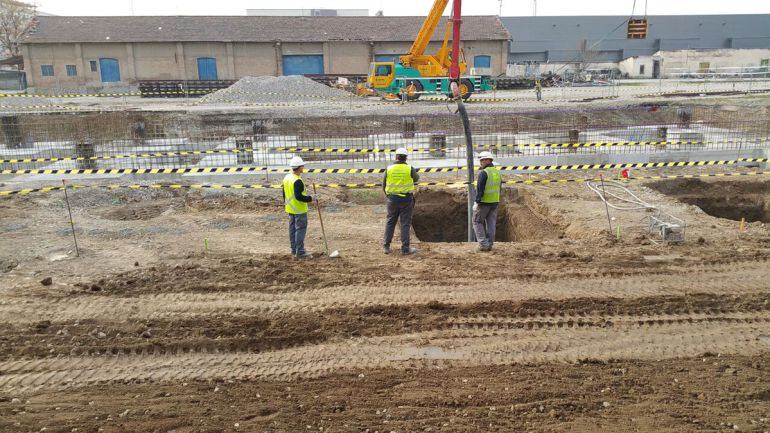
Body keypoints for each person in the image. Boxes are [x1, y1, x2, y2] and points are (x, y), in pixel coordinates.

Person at [383, 147, 419, 255]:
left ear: (396, 157)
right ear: (406, 158)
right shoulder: (409, 168)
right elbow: (416, 178)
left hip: (392, 199)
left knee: (390, 222)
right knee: (405, 224)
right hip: (406, 200)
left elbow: (383, 185)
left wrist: (389, 196)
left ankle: (386, 246)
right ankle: (405, 249)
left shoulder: (389, 168)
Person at [282, 156, 315, 259]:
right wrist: (311, 198)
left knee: (292, 230)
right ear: (300, 167)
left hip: (290, 209)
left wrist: (287, 204)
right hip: (299, 210)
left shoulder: (287, 178)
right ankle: (300, 252)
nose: (303, 167)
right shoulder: (297, 181)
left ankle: (294, 250)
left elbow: (284, 193)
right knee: (300, 230)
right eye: (302, 166)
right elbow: (299, 196)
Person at [473, 151, 502, 252]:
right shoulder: (497, 172)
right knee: (491, 223)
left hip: (484, 202)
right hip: (495, 202)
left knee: (477, 222)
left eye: (482, 160)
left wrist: (476, 202)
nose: (481, 162)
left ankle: (484, 245)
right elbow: (499, 188)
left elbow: (480, 189)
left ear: (487, 160)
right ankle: (489, 244)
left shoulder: (484, 173)